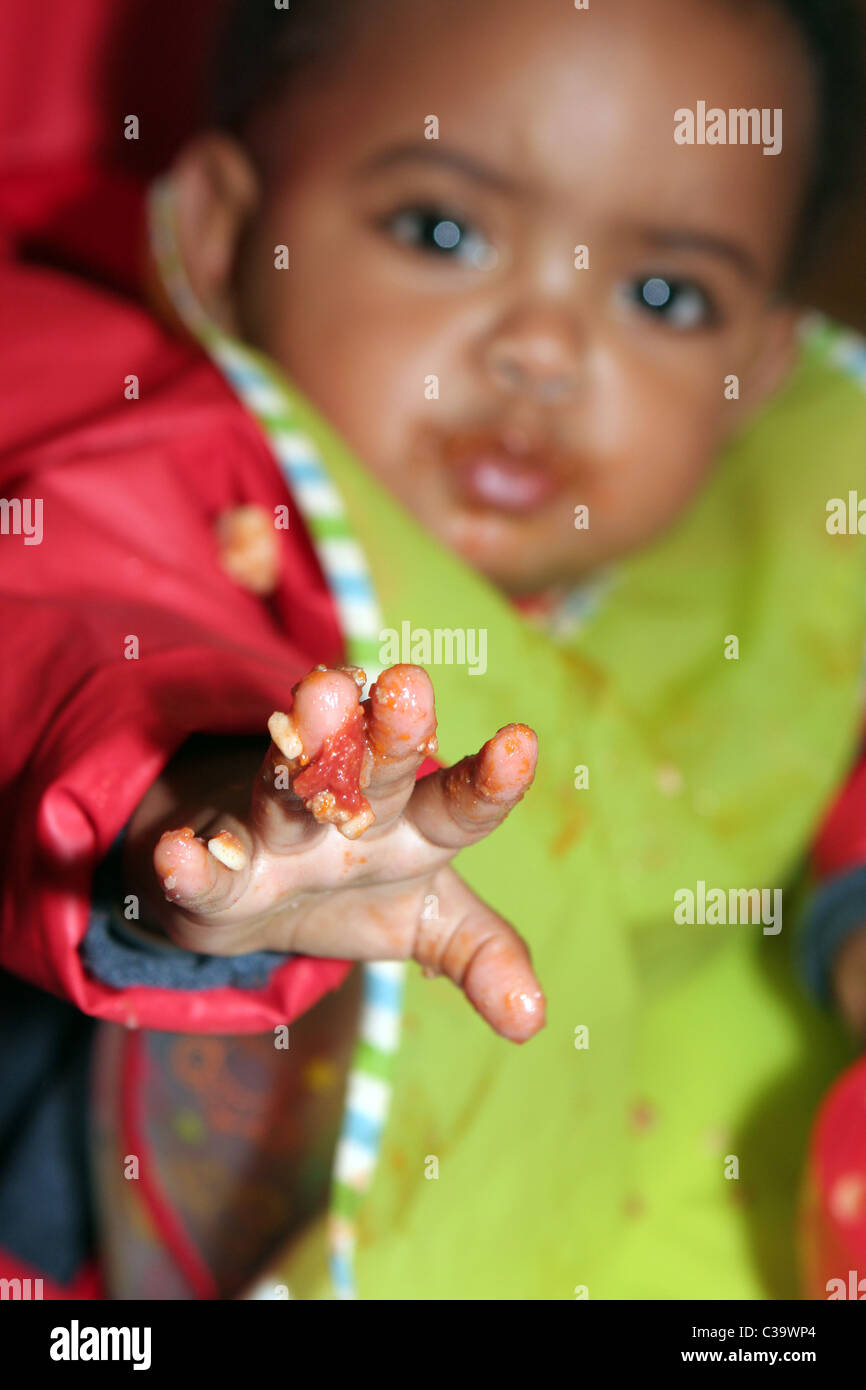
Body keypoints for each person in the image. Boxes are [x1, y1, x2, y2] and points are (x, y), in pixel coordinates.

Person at [1, 0, 865, 1299]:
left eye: (660, 294)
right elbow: (73, 636)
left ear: (751, 364)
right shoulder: (151, 447)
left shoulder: (745, 568)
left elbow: (811, 709)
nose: (545, 349)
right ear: (236, 229)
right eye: (440, 231)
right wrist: (219, 822)